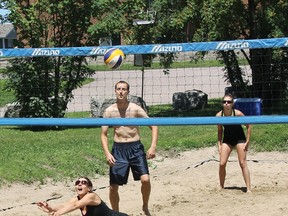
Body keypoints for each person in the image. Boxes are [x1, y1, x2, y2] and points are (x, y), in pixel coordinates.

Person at [100, 80, 158, 215]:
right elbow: (103, 134)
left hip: (135, 148)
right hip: (118, 150)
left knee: (145, 179)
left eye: (124, 89)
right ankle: (115, 213)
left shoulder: (135, 108)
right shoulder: (109, 111)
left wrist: (153, 146)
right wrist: (107, 153)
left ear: (128, 92)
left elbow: (154, 125)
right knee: (113, 187)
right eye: (118, 89)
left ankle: (145, 206)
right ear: (115, 91)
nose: (121, 91)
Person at [37, 176, 129, 216]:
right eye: (77, 183)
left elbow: (75, 206)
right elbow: (63, 206)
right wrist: (49, 208)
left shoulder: (91, 196)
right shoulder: (76, 199)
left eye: (83, 183)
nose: (79, 184)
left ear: (89, 188)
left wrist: (58, 214)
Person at [216, 93, 252, 193]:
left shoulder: (238, 113)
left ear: (232, 104)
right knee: (222, 163)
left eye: (229, 102)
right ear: (222, 104)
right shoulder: (219, 115)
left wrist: (248, 140)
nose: (226, 103)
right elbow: (220, 131)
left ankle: (248, 189)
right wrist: (219, 144)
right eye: (224, 102)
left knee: (242, 162)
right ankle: (221, 186)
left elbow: (249, 125)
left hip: (239, 138)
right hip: (227, 139)